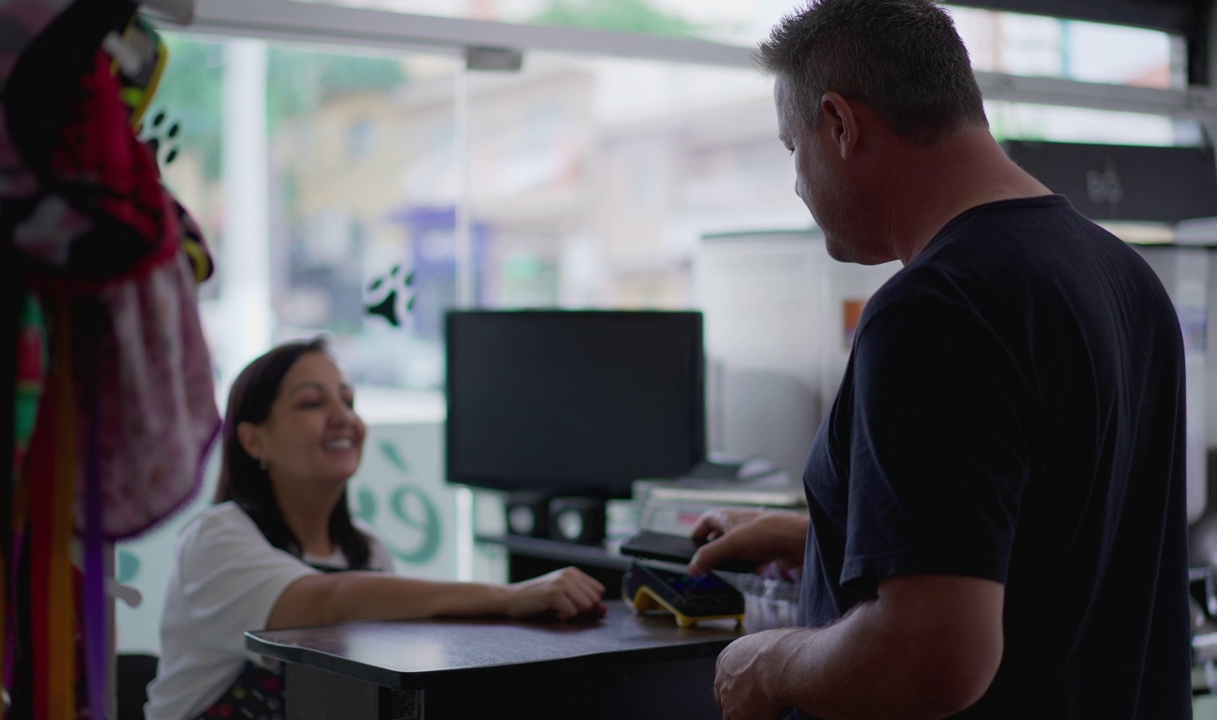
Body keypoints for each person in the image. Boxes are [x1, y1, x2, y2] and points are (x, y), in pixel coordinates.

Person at [687, 1, 1191, 718]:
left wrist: (769, 664)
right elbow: (1051, 535)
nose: (798, 183)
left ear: (839, 124)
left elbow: (935, 652)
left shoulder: (935, 308)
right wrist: (826, 539)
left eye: (789, 149)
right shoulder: (1122, 277)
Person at [145, 338, 606, 720]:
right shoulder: (218, 537)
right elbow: (322, 603)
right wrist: (510, 597)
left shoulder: (367, 552)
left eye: (348, 400)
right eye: (312, 402)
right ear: (253, 439)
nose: (344, 417)